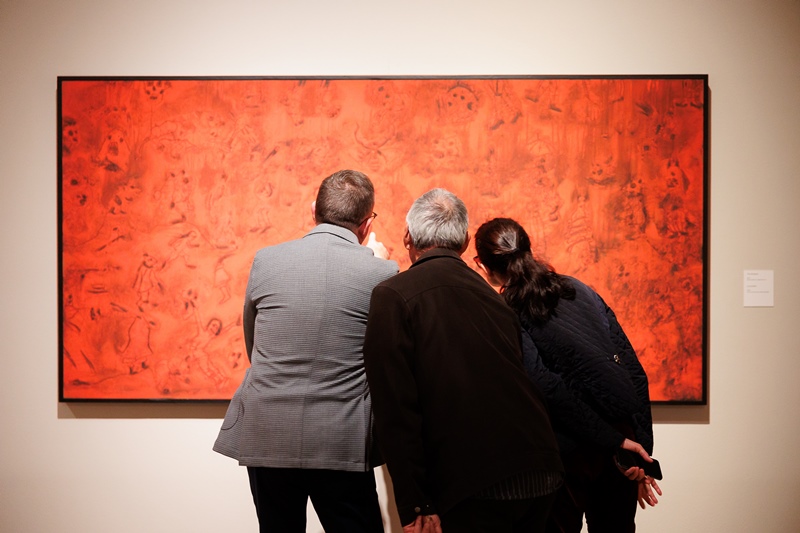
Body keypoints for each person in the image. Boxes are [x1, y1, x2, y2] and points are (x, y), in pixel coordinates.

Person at [363, 189, 564, 533]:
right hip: (542, 471)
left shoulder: (393, 295)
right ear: (466, 241)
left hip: (475, 483)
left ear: (408, 236)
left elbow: (395, 408)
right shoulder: (493, 298)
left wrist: (415, 502)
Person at [213, 169, 399, 533]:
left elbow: (254, 344)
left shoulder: (265, 259)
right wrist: (376, 263)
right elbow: (384, 359)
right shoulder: (381, 271)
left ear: (314, 209)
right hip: (341, 439)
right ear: (366, 224)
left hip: (268, 431)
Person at [473, 217, 662, 533]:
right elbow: (633, 371)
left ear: (483, 265)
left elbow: (547, 386)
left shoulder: (506, 309)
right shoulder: (579, 289)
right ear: (528, 249)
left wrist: (621, 443)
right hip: (619, 443)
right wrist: (638, 449)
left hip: (567, 452)